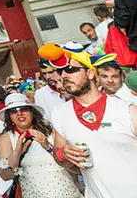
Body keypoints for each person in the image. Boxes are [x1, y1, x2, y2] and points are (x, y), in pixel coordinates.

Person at [49, 42, 137, 198]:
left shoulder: (127, 110)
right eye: (61, 71)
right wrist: (63, 155)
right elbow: (66, 161)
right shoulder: (59, 115)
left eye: (70, 70)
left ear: (90, 73)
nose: (63, 76)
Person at [0, 93, 80, 198]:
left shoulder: (51, 131)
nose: (19, 113)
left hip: (65, 193)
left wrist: (47, 146)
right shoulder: (6, 138)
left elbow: (73, 167)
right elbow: (5, 176)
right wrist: (17, 152)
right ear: (9, 116)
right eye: (13, 111)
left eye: (24, 109)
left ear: (32, 111)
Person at [33, 56, 67, 124]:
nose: (48, 77)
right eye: (44, 74)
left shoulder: (73, 87)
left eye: (51, 72)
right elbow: (44, 119)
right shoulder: (40, 94)